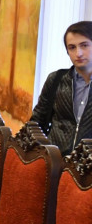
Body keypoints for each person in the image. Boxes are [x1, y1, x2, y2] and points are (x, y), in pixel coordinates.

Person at [30, 20, 92, 155]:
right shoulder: (56, 79)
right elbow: (36, 123)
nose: (78, 53)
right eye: (72, 47)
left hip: (88, 167)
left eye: (84, 45)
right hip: (55, 162)